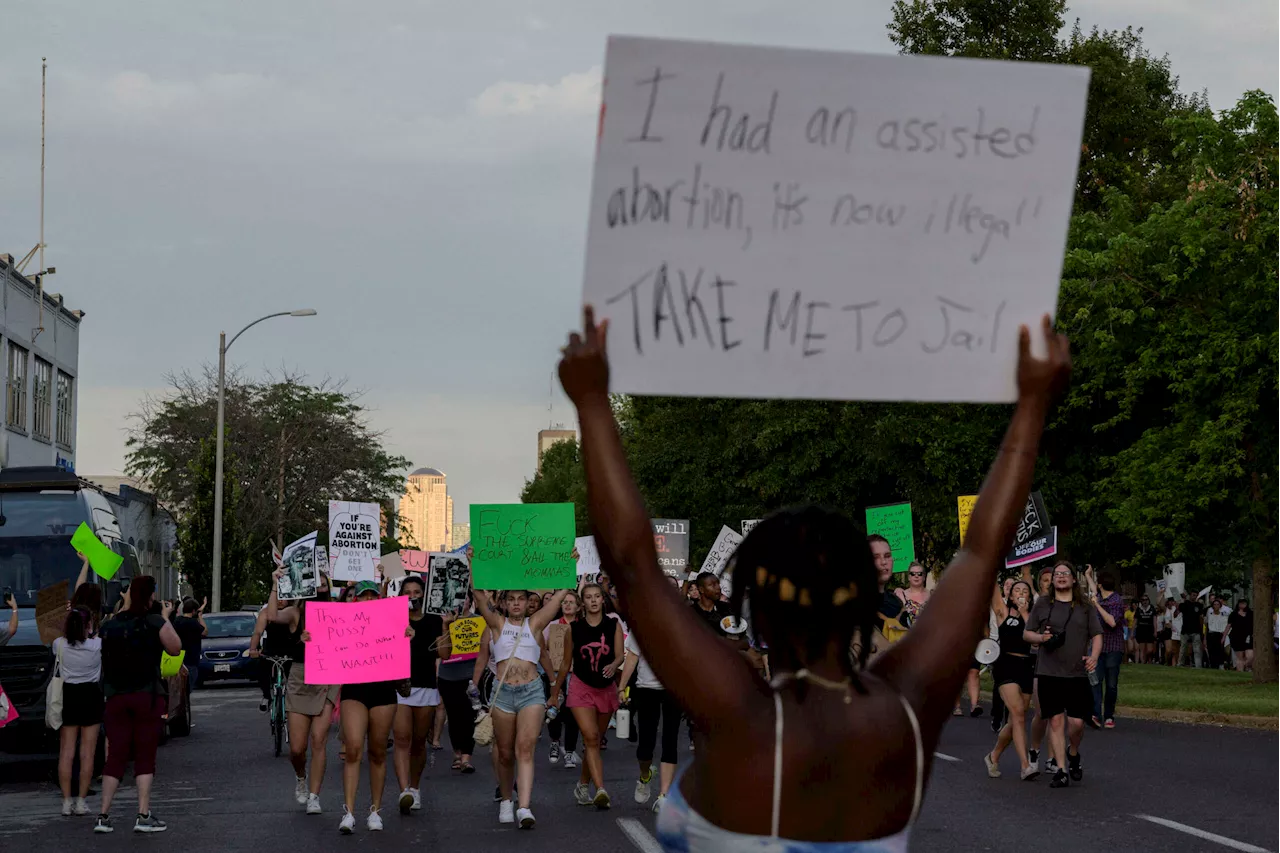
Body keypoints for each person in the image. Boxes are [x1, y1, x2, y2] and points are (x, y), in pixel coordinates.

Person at [559, 307, 1071, 846]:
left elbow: (632, 564)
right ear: (862, 601)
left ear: (759, 609)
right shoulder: (904, 707)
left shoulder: (741, 715)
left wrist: (592, 401)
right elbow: (981, 553)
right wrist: (1032, 405)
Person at [311, 580, 411, 834]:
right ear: (355, 600)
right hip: (355, 689)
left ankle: (375, 810)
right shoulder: (346, 622)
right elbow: (324, 639)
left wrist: (407, 634)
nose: (367, 600)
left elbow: (405, 641)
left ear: (379, 599)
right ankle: (349, 812)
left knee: (377, 751)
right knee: (354, 748)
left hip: (384, 690)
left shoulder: (392, 622)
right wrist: (309, 637)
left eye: (372, 596)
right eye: (362, 596)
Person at [95, 575, 183, 834]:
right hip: (146, 695)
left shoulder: (110, 626)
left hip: (115, 697)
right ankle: (143, 814)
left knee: (115, 757)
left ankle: (103, 815)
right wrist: (165, 617)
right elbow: (176, 648)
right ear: (151, 596)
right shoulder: (153, 622)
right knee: (145, 755)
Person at [475, 586, 568, 829]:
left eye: (521, 599)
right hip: (503, 694)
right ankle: (507, 799)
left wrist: (570, 566)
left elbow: (558, 597)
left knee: (525, 748)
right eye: (511, 600)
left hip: (531, 693)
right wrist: (474, 566)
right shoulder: (496, 624)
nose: (516, 604)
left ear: (528, 603)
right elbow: (478, 597)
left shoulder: (535, 624)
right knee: (505, 753)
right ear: (504, 603)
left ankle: (524, 807)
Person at [265, 569, 338, 818]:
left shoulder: (338, 610)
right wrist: (276, 584)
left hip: (328, 676)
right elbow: (271, 616)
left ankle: (315, 796)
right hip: (300, 677)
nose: (320, 585)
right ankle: (301, 777)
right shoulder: (297, 612)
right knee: (297, 748)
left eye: (324, 580)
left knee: (319, 740)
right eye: (315, 581)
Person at [1025, 561, 1102, 789]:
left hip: (1077, 673)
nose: (1060, 577)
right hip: (1049, 672)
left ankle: (1073, 752)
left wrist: (1094, 656)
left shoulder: (1085, 606)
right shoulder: (1042, 603)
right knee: (1056, 720)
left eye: (1065, 574)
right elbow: (1027, 633)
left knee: (1077, 724)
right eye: (1057, 574)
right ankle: (1061, 770)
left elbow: (1097, 635)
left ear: (1073, 579)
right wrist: (1040, 639)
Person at [554, 582, 625, 811]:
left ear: (602, 600)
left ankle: (582, 785)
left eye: (597, 596)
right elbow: (565, 663)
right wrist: (555, 692)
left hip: (605, 689)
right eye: (589, 597)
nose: (593, 600)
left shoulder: (613, 624)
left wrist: (614, 666)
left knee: (595, 741)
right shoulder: (573, 629)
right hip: (581, 686)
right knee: (591, 737)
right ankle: (601, 788)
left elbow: (619, 656)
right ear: (582, 603)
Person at [393, 574, 453, 815]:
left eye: (417, 592)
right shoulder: (394, 620)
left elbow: (445, 655)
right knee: (401, 739)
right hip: (399, 687)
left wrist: (446, 626)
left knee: (418, 741)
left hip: (426, 687)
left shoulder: (434, 620)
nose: (412, 597)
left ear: (424, 595)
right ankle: (403, 790)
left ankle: (415, 787)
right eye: (407, 592)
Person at [618, 629, 681, 811]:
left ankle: (664, 794)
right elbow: (632, 657)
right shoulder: (642, 623)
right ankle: (645, 775)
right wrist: (622, 687)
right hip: (646, 688)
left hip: (674, 690)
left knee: (670, 740)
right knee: (646, 744)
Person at [983, 580, 1037, 781]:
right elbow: (994, 589)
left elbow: (1034, 636)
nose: (1021, 593)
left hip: (1026, 667)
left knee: (1017, 718)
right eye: (1017, 591)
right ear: (1011, 597)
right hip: (1006, 666)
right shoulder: (1002, 614)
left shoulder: (1032, 617)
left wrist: (1024, 612)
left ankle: (993, 755)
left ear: (1030, 598)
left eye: (1025, 591)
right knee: (1018, 714)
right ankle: (1025, 766)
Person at [54, 605, 103, 816]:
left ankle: (66, 802)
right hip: (91, 696)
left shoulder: (59, 645)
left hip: (69, 696)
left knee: (66, 752)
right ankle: (81, 801)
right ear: (89, 625)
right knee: (87, 753)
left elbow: (57, 635)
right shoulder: (97, 646)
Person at [543, 590, 583, 769]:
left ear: (578, 607)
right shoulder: (551, 626)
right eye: (564, 602)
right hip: (555, 674)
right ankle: (554, 741)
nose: (567, 605)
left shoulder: (583, 626)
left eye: (571, 602)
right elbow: (542, 649)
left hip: (576, 676)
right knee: (554, 709)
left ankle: (569, 751)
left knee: (573, 714)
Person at [1087, 569, 1125, 729]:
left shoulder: (1117, 601)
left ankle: (1109, 716)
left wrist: (1097, 605)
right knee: (1095, 681)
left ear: (1101, 584)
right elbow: (1094, 589)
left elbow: (1112, 622)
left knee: (1111, 684)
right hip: (1097, 648)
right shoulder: (1100, 597)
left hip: (1113, 648)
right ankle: (1096, 714)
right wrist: (1088, 575)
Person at [1224, 600, 1253, 672]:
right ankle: (1240, 671)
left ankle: (1245, 665)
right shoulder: (1233, 614)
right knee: (1239, 657)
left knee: (1250, 656)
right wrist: (1224, 636)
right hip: (1236, 638)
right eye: (1241, 603)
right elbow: (1228, 626)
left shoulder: (1251, 614)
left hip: (1248, 638)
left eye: (1244, 603)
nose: (1243, 604)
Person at [1178, 591, 1205, 668]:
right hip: (1185, 630)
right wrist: (1182, 599)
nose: (1194, 597)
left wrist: (1201, 630)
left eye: (1196, 595)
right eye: (1193, 595)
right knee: (1183, 648)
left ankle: (1198, 666)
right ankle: (1180, 664)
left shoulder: (1199, 605)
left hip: (1196, 630)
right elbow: (1179, 609)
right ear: (1190, 595)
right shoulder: (1185, 604)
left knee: (1197, 650)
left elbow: (1201, 618)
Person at [1205, 597, 1230, 670]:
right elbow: (1206, 626)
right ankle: (1213, 665)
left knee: (1220, 651)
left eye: (1217, 604)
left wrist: (1224, 636)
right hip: (1211, 634)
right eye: (1214, 604)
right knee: (1211, 651)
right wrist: (1205, 638)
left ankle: (1221, 665)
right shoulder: (1210, 614)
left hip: (1219, 635)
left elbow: (1226, 625)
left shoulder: (1223, 615)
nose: (1216, 606)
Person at [1134, 595, 1157, 664]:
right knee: (1142, 649)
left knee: (1150, 650)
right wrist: (1132, 632)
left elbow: (1154, 621)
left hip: (1150, 630)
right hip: (1141, 630)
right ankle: (1143, 663)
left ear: (1148, 600)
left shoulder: (1152, 609)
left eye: (1146, 599)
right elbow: (1135, 621)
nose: (1145, 601)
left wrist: (1155, 631)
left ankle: (1146, 659)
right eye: (1143, 600)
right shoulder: (1138, 609)